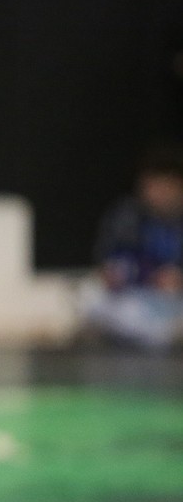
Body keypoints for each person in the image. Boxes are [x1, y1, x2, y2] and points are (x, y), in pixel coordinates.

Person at [83, 142, 183, 349]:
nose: (157, 193)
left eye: (165, 186)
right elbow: (110, 263)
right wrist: (121, 274)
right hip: (138, 298)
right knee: (91, 299)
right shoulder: (127, 216)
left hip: (176, 301)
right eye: (152, 186)